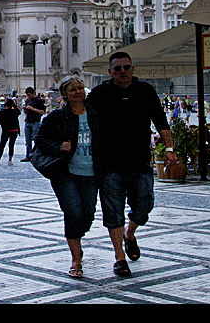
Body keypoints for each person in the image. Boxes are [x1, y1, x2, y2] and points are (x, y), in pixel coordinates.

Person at [86, 52, 175, 278]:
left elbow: (161, 121)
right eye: (117, 68)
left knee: (144, 206)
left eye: (126, 67)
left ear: (133, 69)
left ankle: (130, 233)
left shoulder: (145, 91)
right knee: (113, 211)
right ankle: (119, 258)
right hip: (109, 164)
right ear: (110, 72)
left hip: (139, 161)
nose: (122, 72)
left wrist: (170, 149)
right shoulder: (99, 94)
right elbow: (81, 120)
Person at [34, 77, 101, 279]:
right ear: (65, 94)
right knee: (73, 212)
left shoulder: (96, 114)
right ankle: (76, 259)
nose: (78, 92)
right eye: (73, 90)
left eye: (80, 88)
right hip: (65, 172)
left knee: (87, 215)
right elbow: (40, 140)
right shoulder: (57, 116)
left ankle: (76, 241)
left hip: (91, 172)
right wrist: (58, 147)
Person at [21, 87, 47, 161]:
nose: (28, 96)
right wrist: (25, 109)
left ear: (33, 93)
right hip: (28, 121)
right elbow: (26, 112)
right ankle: (28, 156)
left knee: (36, 139)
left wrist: (33, 109)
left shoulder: (39, 101)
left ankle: (36, 156)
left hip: (36, 121)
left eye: (29, 95)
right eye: (27, 95)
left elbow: (43, 112)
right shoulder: (27, 100)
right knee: (27, 141)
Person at [0, 97, 22, 165]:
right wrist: (14, 105)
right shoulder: (14, 112)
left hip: (5, 130)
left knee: (2, 145)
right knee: (11, 145)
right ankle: (10, 160)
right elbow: (19, 112)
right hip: (14, 130)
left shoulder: (1, 112)